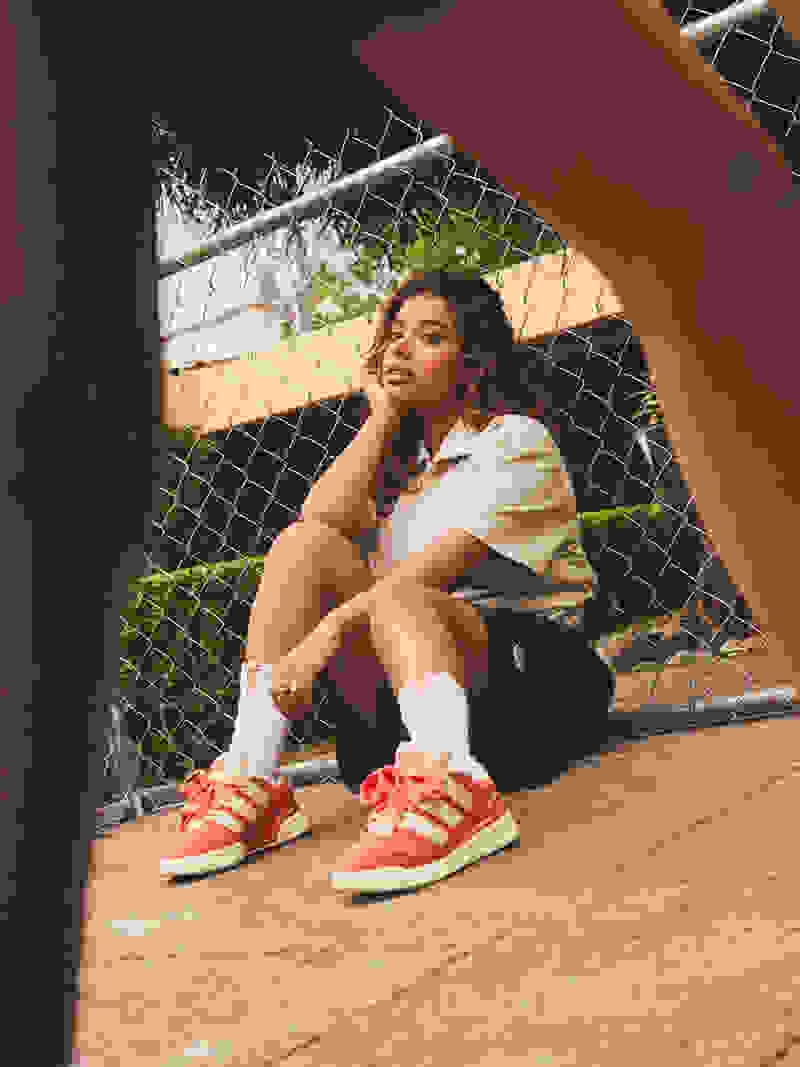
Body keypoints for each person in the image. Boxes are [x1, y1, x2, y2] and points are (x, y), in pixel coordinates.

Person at [159, 270, 616, 893]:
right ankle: (253, 774)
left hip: (529, 696)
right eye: (394, 336)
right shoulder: (398, 468)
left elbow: (431, 575)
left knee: (404, 593)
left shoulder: (514, 442)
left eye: (428, 337)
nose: (400, 349)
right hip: (403, 712)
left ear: (474, 361)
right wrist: (380, 416)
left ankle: (454, 784)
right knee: (302, 545)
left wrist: (323, 639)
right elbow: (315, 529)